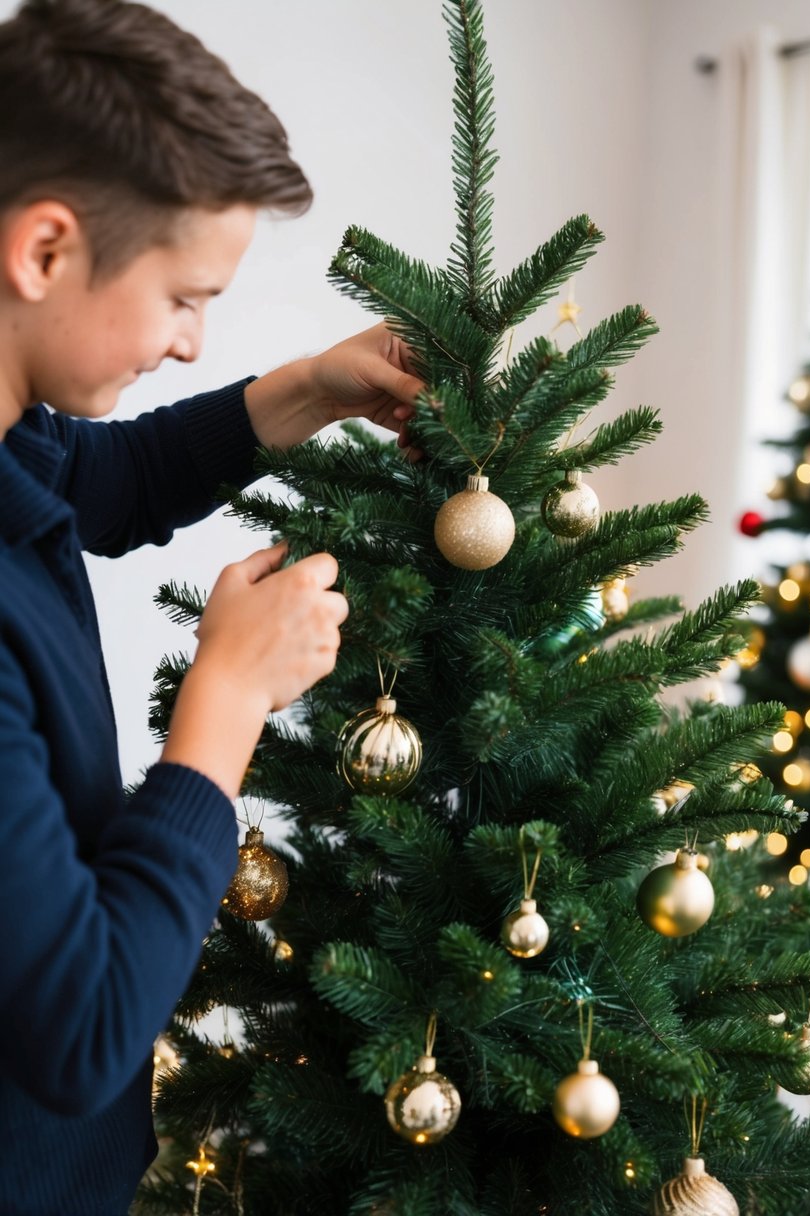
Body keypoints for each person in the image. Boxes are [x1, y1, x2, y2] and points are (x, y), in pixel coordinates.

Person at [0, 1, 424, 1212]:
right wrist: (227, 700)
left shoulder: (13, 435)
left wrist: (313, 386)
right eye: (185, 296)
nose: (194, 342)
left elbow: (101, 479)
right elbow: (80, 1031)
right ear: (44, 251)